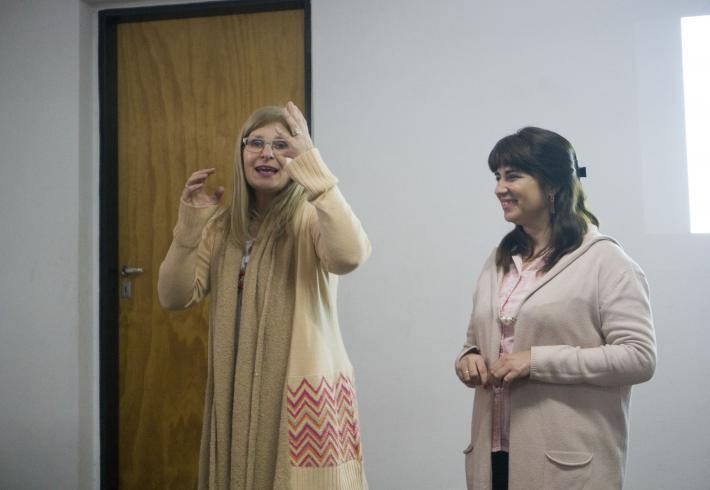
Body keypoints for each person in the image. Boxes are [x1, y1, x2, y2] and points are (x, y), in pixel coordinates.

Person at [158, 102, 371, 490]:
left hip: (298, 392)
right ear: (241, 152)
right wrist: (189, 227)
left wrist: (317, 175)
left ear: (299, 155)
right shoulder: (224, 227)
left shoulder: (312, 216)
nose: (267, 154)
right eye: (255, 142)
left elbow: (350, 255)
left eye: (281, 144)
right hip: (236, 393)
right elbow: (174, 295)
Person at [454, 127, 656, 490]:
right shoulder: (499, 260)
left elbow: (639, 357)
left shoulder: (605, 261)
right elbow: (476, 341)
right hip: (493, 458)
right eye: (497, 176)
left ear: (552, 184)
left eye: (513, 176)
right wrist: (468, 359)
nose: (499, 188)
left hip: (566, 467)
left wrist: (537, 361)